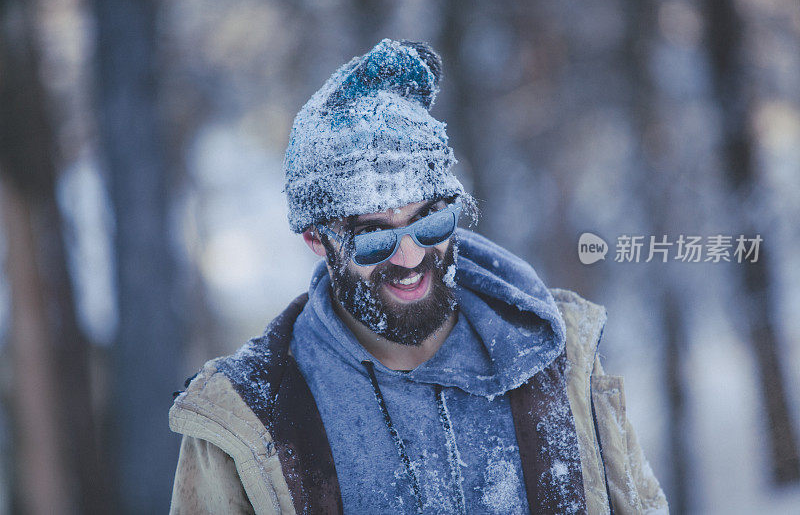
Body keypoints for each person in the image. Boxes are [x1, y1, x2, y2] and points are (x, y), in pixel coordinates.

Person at [168, 39, 668, 514]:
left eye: (429, 221)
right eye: (373, 236)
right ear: (317, 241)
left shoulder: (560, 354)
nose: (409, 257)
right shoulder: (245, 420)